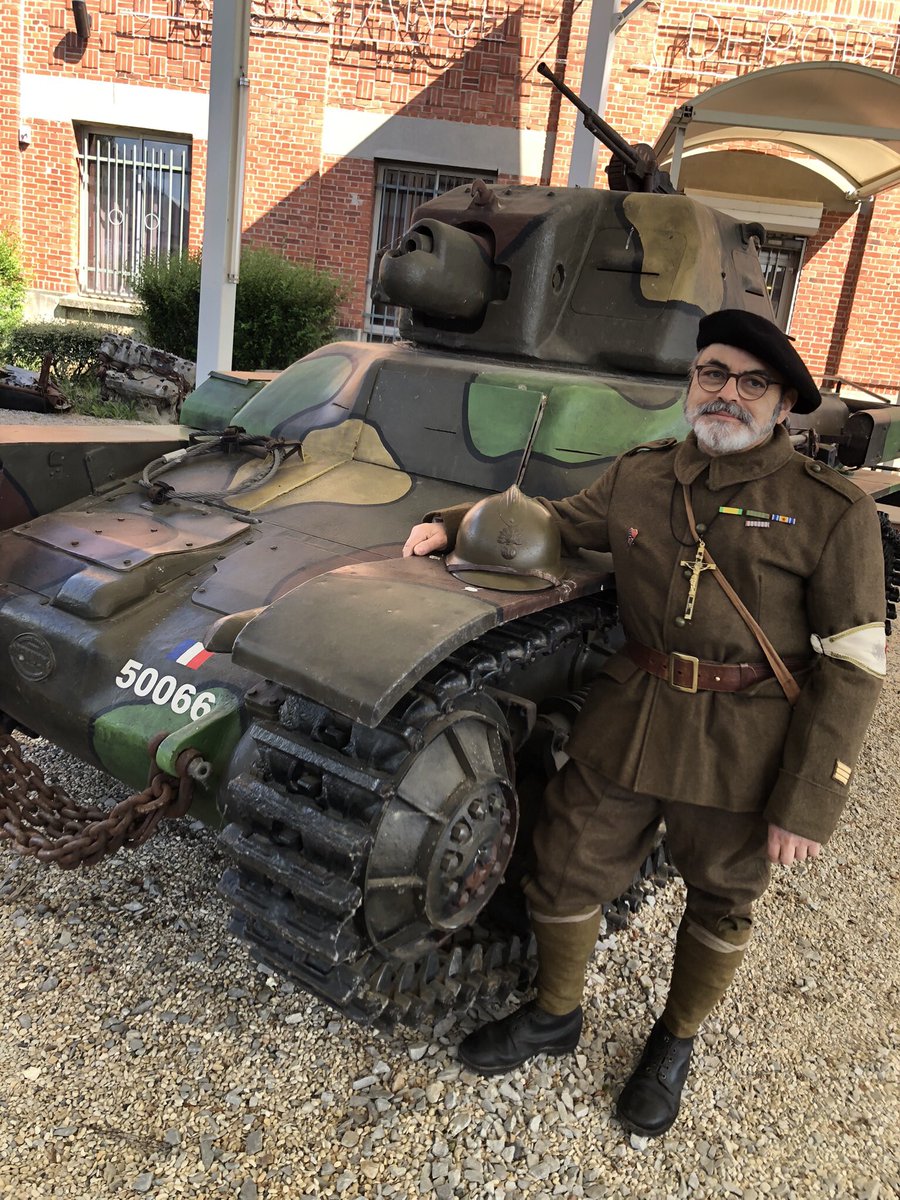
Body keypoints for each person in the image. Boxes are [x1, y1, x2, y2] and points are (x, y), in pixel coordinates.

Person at [402, 309, 887, 1137]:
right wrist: (456, 524)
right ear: (692, 383)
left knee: (722, 895)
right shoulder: (644, 475)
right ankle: (556, 1015)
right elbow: (558, 521)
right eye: (711, 374)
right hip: (633, 711)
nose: (726, 393)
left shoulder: (830, 509)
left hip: (747, 737)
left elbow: (852, 662)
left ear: (782, 403)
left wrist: (808, 801)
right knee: (562, 865)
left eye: (751, 382)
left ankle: (675, 1038)